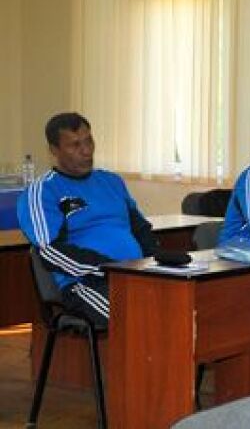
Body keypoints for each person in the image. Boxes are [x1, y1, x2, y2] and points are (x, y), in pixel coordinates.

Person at [17, 112, 157, 329]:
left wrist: (157, 264)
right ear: (54, 150)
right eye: (75, 145)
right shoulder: (43, 191)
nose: (86, 151)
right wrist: (109, 268)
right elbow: (50, 251)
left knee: (177, 303)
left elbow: (141, 229)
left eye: (89, 141)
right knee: (134, 313)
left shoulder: (111, 181)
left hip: (133, 275)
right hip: (84, 284)